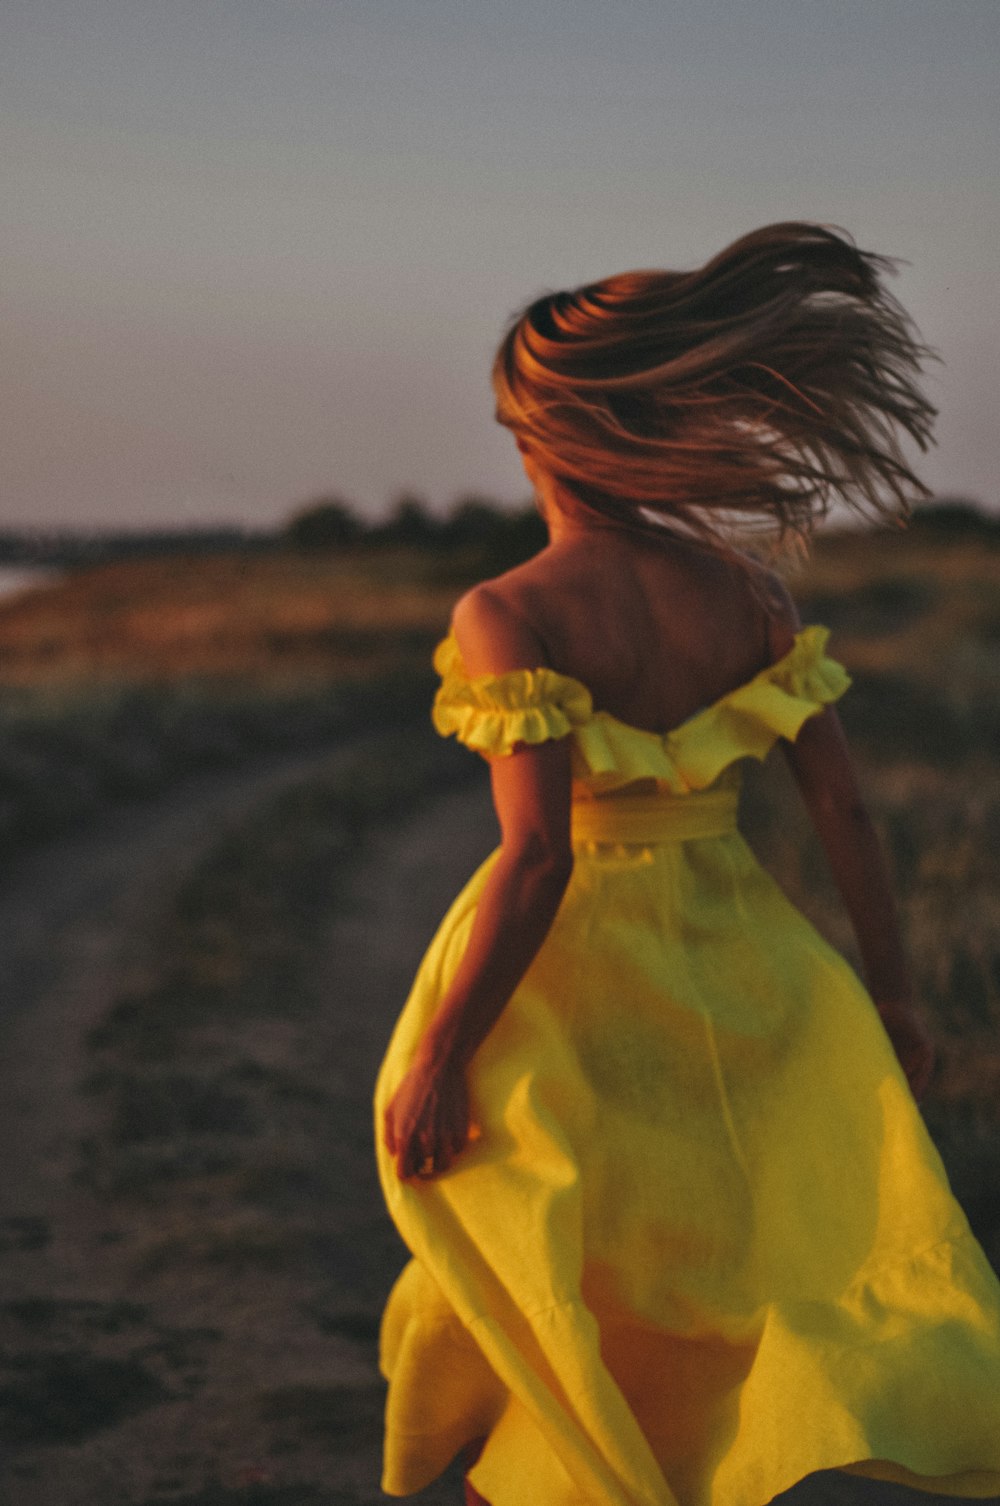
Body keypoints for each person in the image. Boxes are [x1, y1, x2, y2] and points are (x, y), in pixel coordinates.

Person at [374, 223, 1000, 1506]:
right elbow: (847, 814)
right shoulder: (750, 596)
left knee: (558, 1266)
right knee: (726, 1264)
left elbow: (538, 859)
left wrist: (442, 1052)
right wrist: (892, 995)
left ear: (547, 434)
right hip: (741, 962)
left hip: (570, 981)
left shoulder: (509, 611)